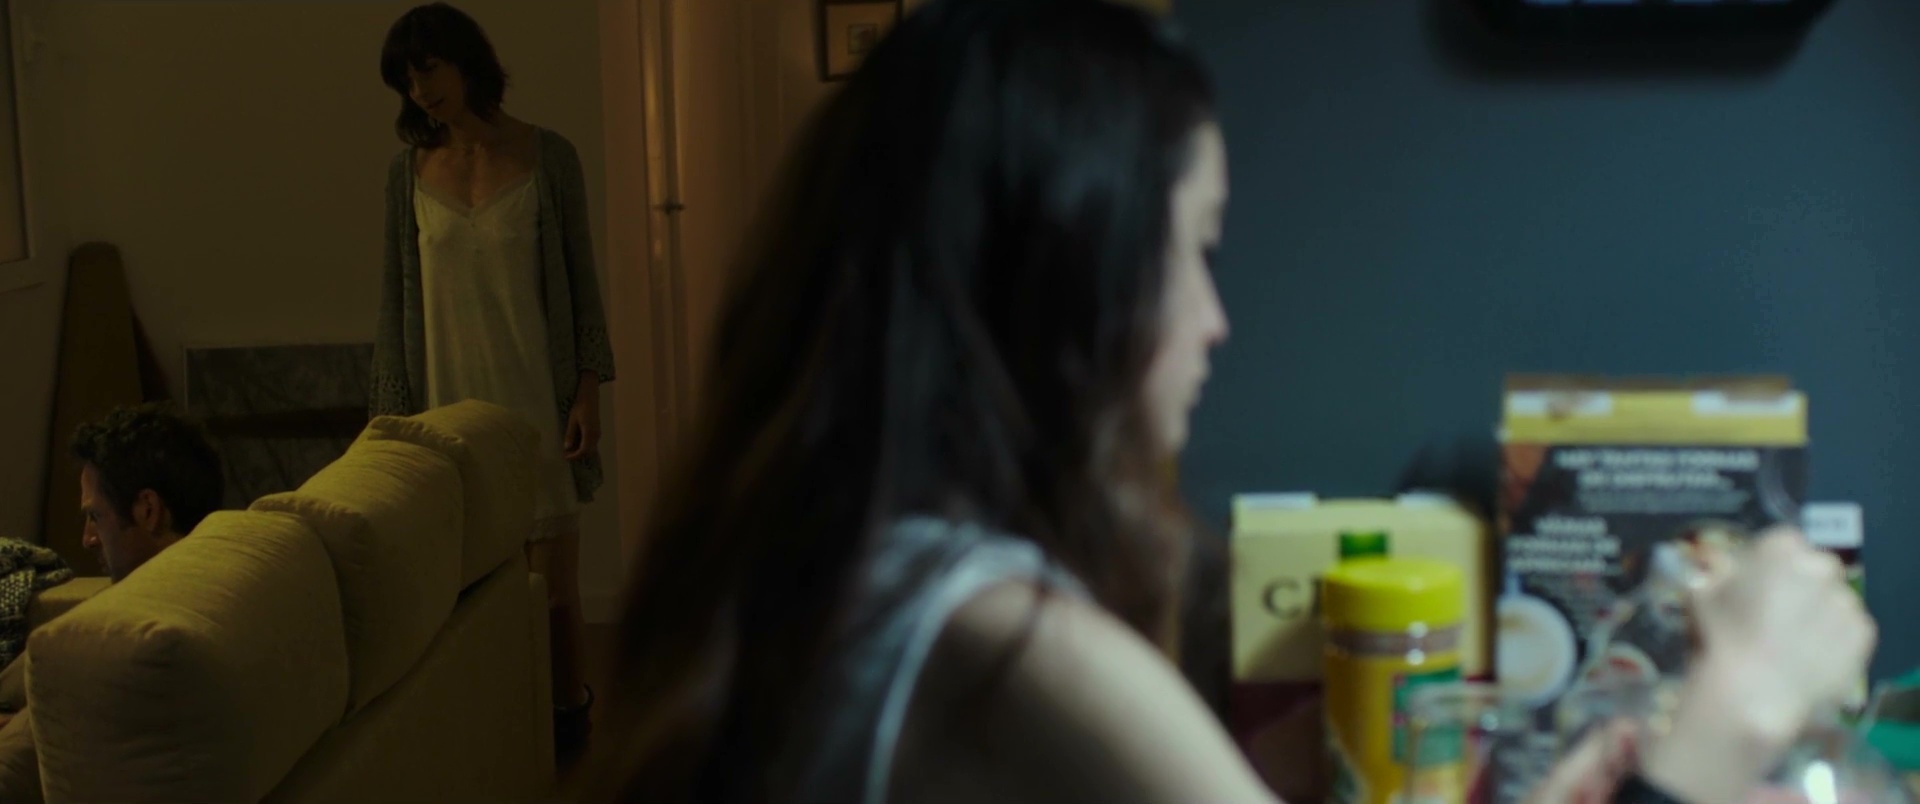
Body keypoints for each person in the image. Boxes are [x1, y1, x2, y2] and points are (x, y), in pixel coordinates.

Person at [579, 1, 1875, 802]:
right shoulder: (996, 634)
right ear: (1074, 278)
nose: (1216, 319)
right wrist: (1726, 720)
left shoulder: (862, 572)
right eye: (1193, 251)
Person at [370, 2, 614, 757]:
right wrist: (390, 421)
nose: (420, 92)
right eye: (407, 81)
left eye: (428, 71)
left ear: (466, 60)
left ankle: (570, 729)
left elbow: (581, 284)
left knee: (556, 598)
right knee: (467, 604)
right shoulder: (406, 175)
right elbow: (395, 304)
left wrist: (585, 392)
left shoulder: (549, 157)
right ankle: (500, 742)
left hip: (533, 404)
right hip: (448, 415)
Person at [0, 402, 224, 794]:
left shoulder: (116, 644)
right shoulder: (218, 574)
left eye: (95, 516)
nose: (87, 539)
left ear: (148, 510)